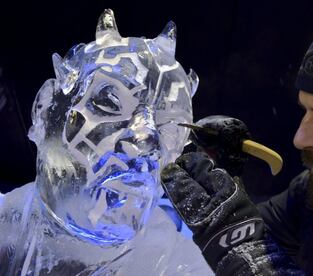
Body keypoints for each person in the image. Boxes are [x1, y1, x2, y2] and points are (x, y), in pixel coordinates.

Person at [160, 0, 313, 275]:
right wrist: (228, 193)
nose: (300, 138)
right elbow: (254, 236)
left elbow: (247, 251)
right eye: (306, 110)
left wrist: (245, 254)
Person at [0, 9, 212, 275]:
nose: (147, 142)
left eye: (169, 129)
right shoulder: (7, 225)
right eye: (110, 103)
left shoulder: (175, 262)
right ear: (45, 108)